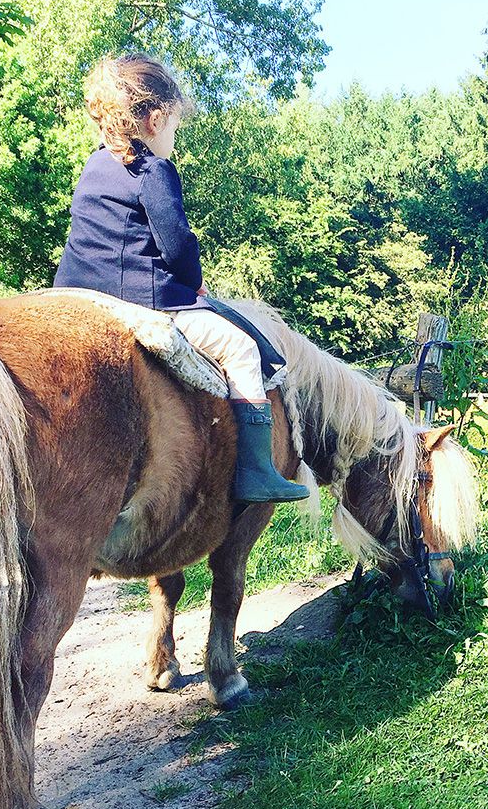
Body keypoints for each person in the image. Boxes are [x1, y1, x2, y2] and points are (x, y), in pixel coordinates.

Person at [55, 53, 308, 503]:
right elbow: (176, 243)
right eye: (174, 127)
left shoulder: (92, 167)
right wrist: (194, 281)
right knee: (242, 349)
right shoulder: (153, 170)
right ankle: (256, 470)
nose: (173, 138)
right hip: (144, 298)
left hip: (76, 298)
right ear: (155, 120)